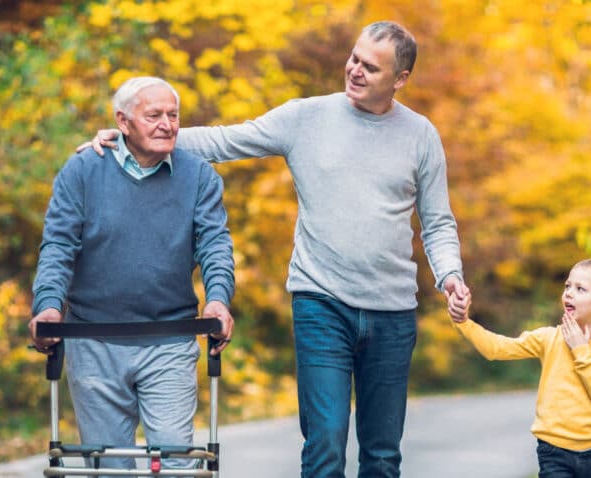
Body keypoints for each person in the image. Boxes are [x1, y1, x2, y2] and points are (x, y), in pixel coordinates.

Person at [81, 20, 472, 478]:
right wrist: (133, 137)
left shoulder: (421, 135)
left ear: (400, 79)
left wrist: (450, 275)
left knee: (382, 454)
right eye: (354, 58)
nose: (355, 71)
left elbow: (438, 222)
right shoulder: (306, 118)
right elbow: (225, 140)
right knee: (325, 442)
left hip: (393, 312)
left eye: (371, 67)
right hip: (321, 302)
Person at [29, 76, 236, 473]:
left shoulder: (199, 177)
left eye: (173, 115)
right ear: (123, 122)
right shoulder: (83, 171)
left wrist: (218, 299)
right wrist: (49, 306)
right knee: (108, 467)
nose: (167, 124)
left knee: (176, 464)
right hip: (93, 341)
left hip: (170, 340)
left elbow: (214, 246)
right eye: (154, 115)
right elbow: (57, 246)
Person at [450, 258, 591, 478]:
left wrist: (580, 349)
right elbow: (497, 348)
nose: (569, 293)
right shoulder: (549, 338)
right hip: (553, 451)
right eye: (567, 286)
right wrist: (464, 323)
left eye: (580, 289)